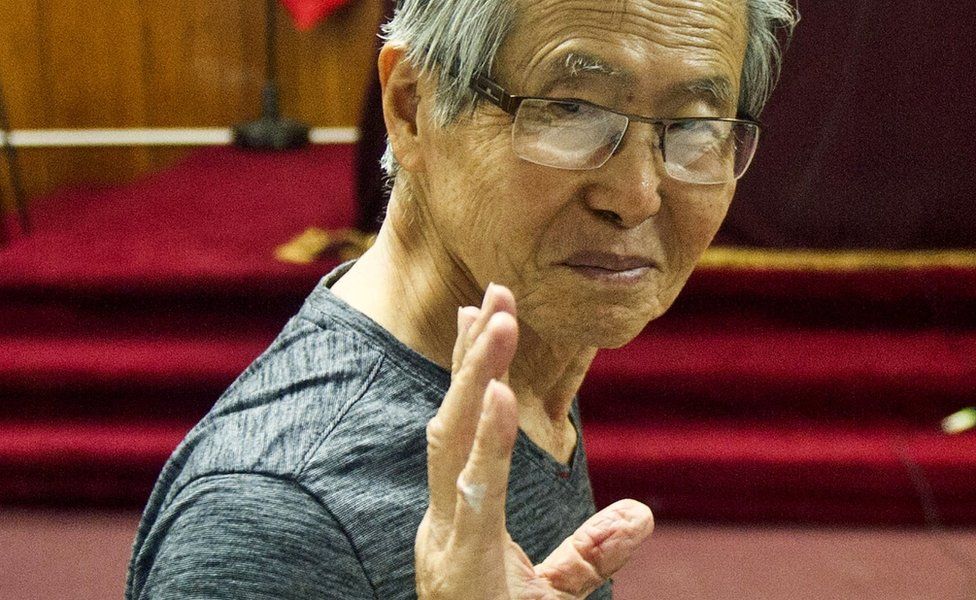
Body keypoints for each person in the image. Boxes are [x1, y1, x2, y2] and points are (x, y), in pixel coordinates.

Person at [126, 0, 797, 598]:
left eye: (692, 124)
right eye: (572, 110)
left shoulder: (515, 351)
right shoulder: (273, 521)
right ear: (413, 108)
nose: (636, 195)